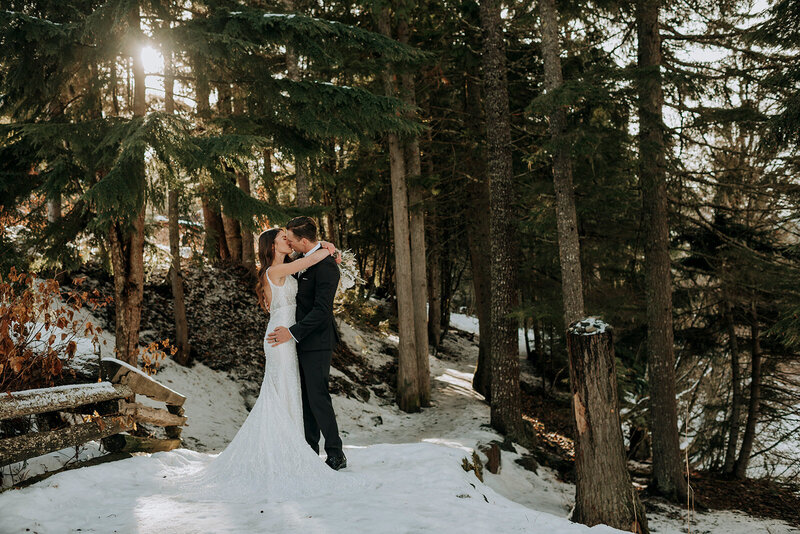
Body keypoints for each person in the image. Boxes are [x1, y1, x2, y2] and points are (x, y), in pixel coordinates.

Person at [266, 216, 347, 471]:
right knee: (305, 397)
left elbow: (322, 310)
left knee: (318, 396)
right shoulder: (297, 262)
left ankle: (335, 453)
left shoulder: (327, 267)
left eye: (290, 238)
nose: (287, 241)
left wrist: (293, 332)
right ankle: (309, 449)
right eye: (284, 238)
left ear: (301, 240)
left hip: (316, 340)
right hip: (295, 339)